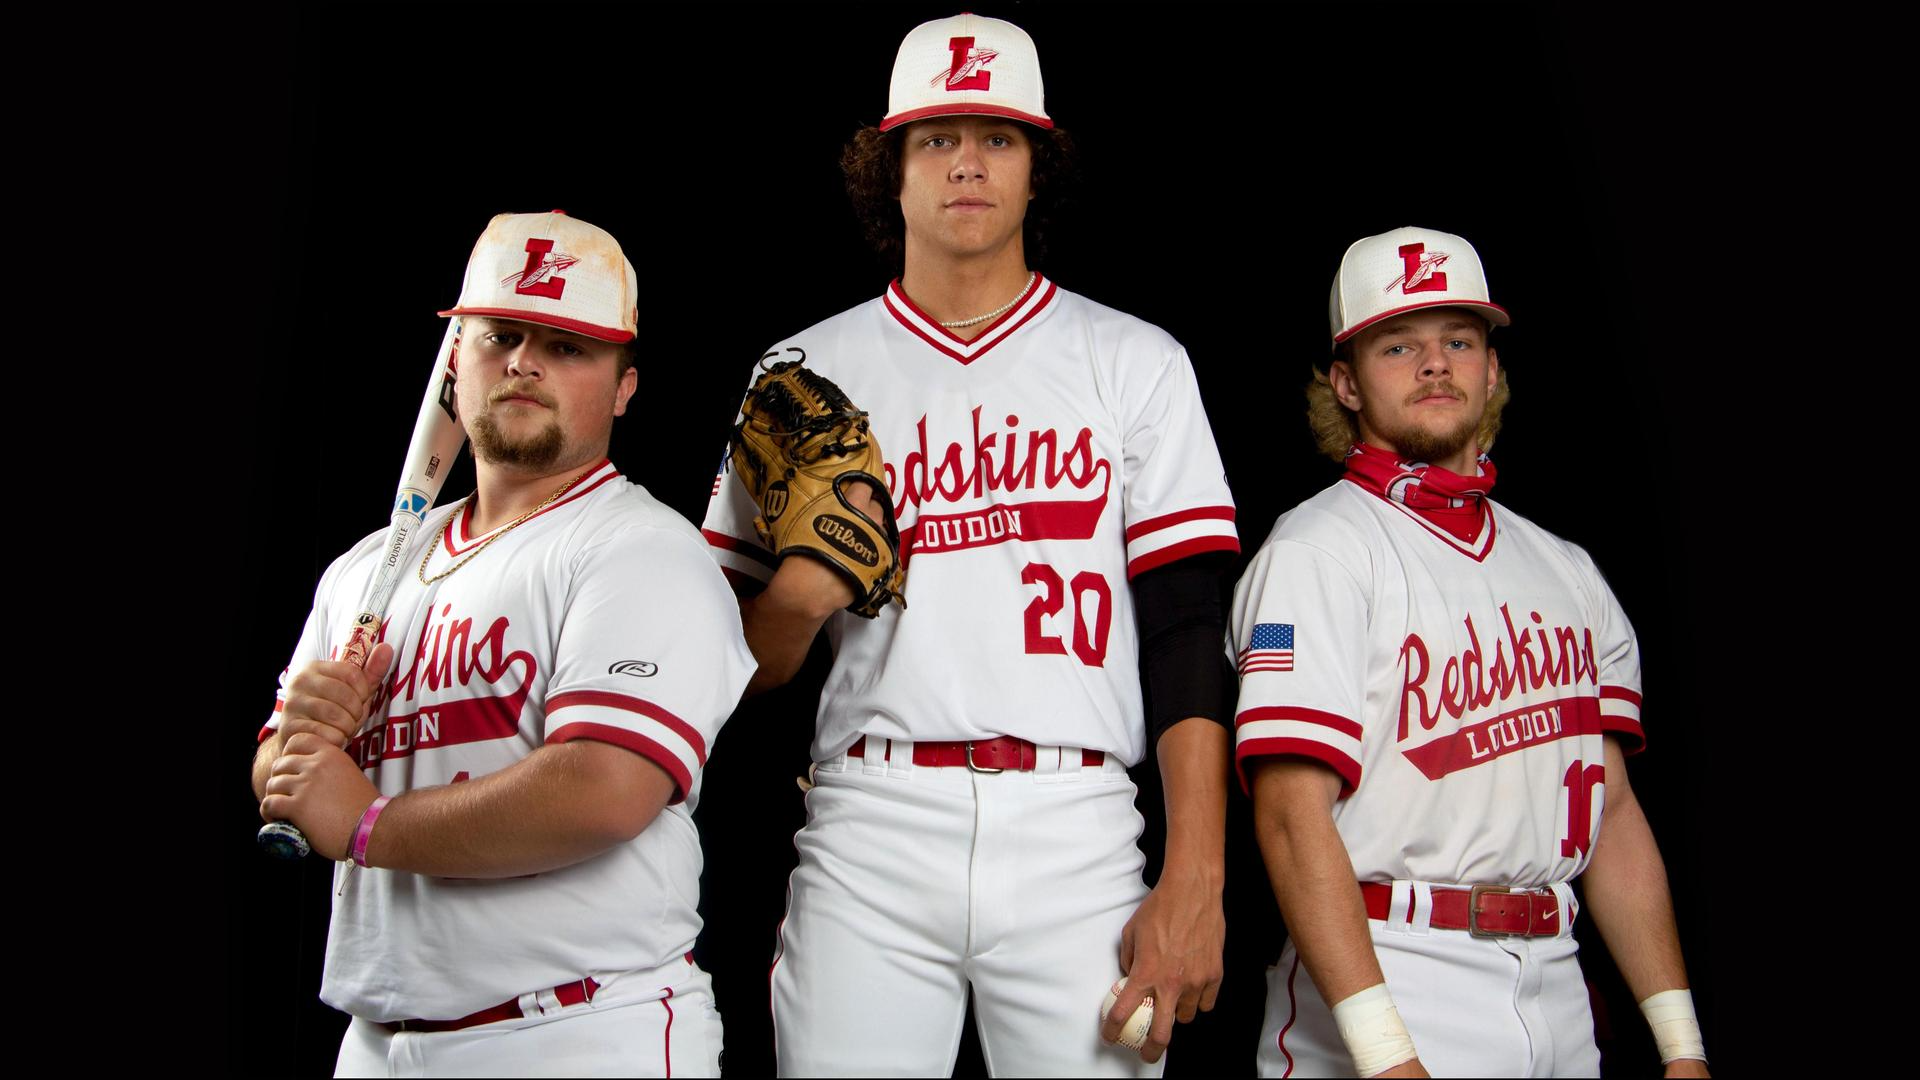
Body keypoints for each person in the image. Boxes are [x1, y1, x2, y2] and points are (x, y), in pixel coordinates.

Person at [700, 13, 1240, 1077]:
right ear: (888, 170)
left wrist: (1197, 879)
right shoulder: (805, 367)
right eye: (936, 137)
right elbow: (723, 668)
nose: (967, 163)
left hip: (1078, 823)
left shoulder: (1133, 361)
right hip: (870, 819)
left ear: (1037, 168)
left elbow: (1186, 632)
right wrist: (800, 601)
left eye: (997, 137)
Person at [253, 211, 755, 1078]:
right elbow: (284, 783)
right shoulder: (365, 571)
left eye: (566, 346)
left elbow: (602, 790)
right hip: (377, 1042)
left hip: (578, 1033)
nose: (524, 362)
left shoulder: (641, 550)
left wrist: (368, 825)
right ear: (456, 361)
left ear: (625, 386)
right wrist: (299, 739)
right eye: (502, 336)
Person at [1231, 226, 1709, 1077]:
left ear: (1491, 369)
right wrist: (1385, 1055)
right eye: (1399, 344)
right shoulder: (1314, 553)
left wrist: (1680, 1046)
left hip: (1555, 981)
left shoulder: (1566, 570)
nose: (1435, 364)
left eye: (1460, 339)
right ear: (1345, 383)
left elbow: (1617, 816)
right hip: (1394, 966)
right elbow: (1288, 816)